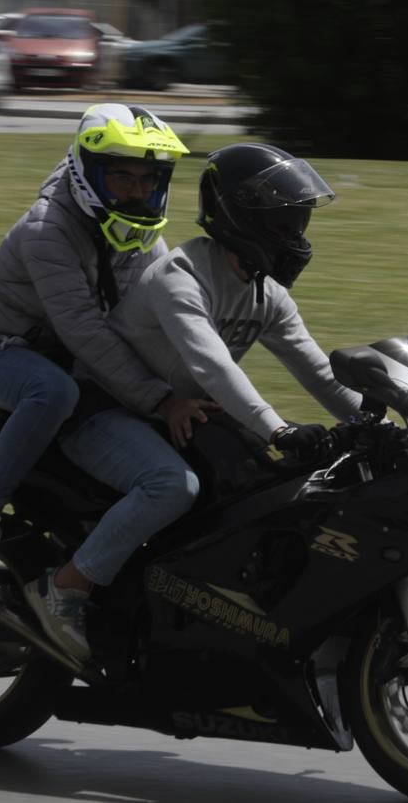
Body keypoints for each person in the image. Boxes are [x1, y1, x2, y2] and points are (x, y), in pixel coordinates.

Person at [0, 103, 215, 662]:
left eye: (148, 178)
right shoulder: (49, 230)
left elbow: (164, 315)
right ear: (88, 172)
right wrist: (159, 399)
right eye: (122, 176)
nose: (137, 191)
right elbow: (87, 333)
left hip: (64, 362)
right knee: (54, 393)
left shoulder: (140, 235)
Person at [55, 143, 363, 626]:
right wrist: (277, 430)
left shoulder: (267, 294)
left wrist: (374, 418)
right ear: (243, 218)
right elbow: (212, 366)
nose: (297, 237)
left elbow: (318, 370)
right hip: (106, 408)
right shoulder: (181, 277)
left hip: (178, 411)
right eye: (285, 222)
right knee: (171, 487)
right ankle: (66, 592)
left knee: (267, 488)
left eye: (300, 222)